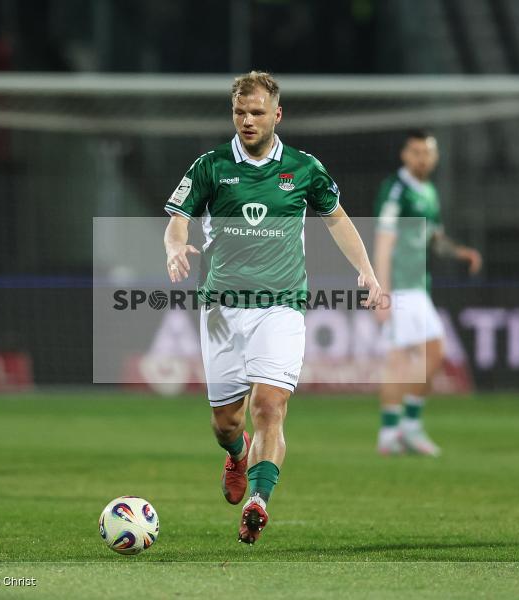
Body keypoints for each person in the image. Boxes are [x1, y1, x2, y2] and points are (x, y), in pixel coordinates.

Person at [163, 71, 381, 544]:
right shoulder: (211, 166)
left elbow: (337, 218)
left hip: (281, 306)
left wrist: (365, 269)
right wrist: (174, 248)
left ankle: (259, 501)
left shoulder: (303, 168)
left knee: (269, 405)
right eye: (240, 112)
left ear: (277, 114)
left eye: (257, 112)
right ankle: (236, 454)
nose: (247, 120)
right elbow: (178, 220)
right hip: (221, 310)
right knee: (227, 422)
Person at [373, 130, 481, 456]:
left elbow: (434, 237)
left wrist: (459, 251)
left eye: (427, 152)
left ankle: (397, 430)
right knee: (415, 356)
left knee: (414, 357)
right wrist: (382, 291)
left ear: (434, 157)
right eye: (416, 152)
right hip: (402, 287)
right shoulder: (397, 189)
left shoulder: (429, 192)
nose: (422, 158)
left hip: (419, 285)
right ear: (405, 155)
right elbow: (384, 240)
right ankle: (401, 429)